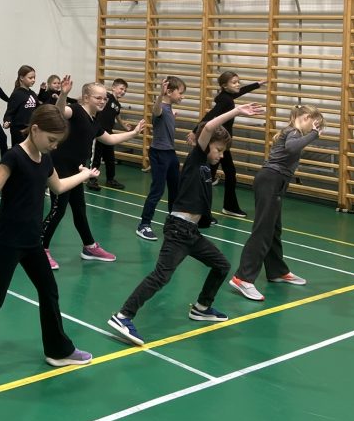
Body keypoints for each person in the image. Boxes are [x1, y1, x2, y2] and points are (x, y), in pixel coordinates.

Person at [0, 105, 97, 397]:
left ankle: (58, 350)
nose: (54, 145)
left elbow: (58, 186)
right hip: (8, 241)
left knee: (49, 291)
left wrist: (84, 175)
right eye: (51, 139)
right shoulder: (14, 157)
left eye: (57, 142)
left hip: (32, 241)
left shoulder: (45, 158)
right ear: (35, 129)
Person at [108, 102, 263, 345]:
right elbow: (209, 127)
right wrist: (235, 112)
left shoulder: (206, 167)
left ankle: (202, 307)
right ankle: (123, 316)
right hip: (178, 230)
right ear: (206, 144)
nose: (221, 155)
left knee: (221, 265)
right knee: (161, 276)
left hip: (190, 233)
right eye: (219, 150)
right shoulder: (197, 158)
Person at [41, 78, 145, 268]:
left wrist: (134, 133)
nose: (103, 101)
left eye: (105, 98)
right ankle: (40, 249)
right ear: (87, 98)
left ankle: (89, 246)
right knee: (58, 210)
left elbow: (110, 139)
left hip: (78, 171)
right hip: (61, 169)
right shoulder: (76, 110)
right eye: (98, 98)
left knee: (79, 209)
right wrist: (63, 94)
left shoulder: (94, 121)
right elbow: (59, 111)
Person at [228, 106, 324, 302]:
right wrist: (314, 134)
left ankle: (277, 271)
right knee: (263, 231)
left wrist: (312, 133)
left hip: (274, 182)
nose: (315, 129)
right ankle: (242, 278)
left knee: (273, 230)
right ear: (307, 118)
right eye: (316, 124)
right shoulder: (294, 132)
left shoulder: (293, 132)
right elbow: (291, 148)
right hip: (270, 181)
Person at [188, 71, 266, 217]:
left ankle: (227, 206)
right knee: (212, 175)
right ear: (224, 86)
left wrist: (256, 84)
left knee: (225, 173)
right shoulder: (225, 100)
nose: (238, 85)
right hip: (216, 144)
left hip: (222, 144)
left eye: (238, 81)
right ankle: (202, 209)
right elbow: (210, 115)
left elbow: (240, 91)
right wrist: (194, 131)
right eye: (234, 82)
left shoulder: (227, 96)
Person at [136, 76, 187, 242]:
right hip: (159, 154)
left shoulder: (169, 109)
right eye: (180, 93)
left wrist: (172, 116)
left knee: (175, 189)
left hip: (170, 153)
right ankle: (144, 224)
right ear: (169, 92)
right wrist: (160, 95)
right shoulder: (160, 108)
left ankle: (173, 223)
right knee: (157, 190)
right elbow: (156, 110)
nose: (182, 96)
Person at [88, 78, 128, 192]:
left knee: (110, 158)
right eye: (121, 89)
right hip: (99, 132)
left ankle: (110, 179)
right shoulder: (107, 97)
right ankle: (92, 179)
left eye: (125, 90)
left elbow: (117, 116)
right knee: (96, 157)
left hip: (109, 134)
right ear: (113, 88)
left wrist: (124, 126)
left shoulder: (117, 105)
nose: (123, 92)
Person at [3, 65, 39, 149]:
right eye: (30, 78)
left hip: (30, 129)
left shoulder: (32, 93)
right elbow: (10, 112)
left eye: (34, 78)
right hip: (19, 130)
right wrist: (7, 121)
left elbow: (38, 108)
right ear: (22, 78)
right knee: (19, 152)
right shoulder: (17, 94)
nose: (33, 80)